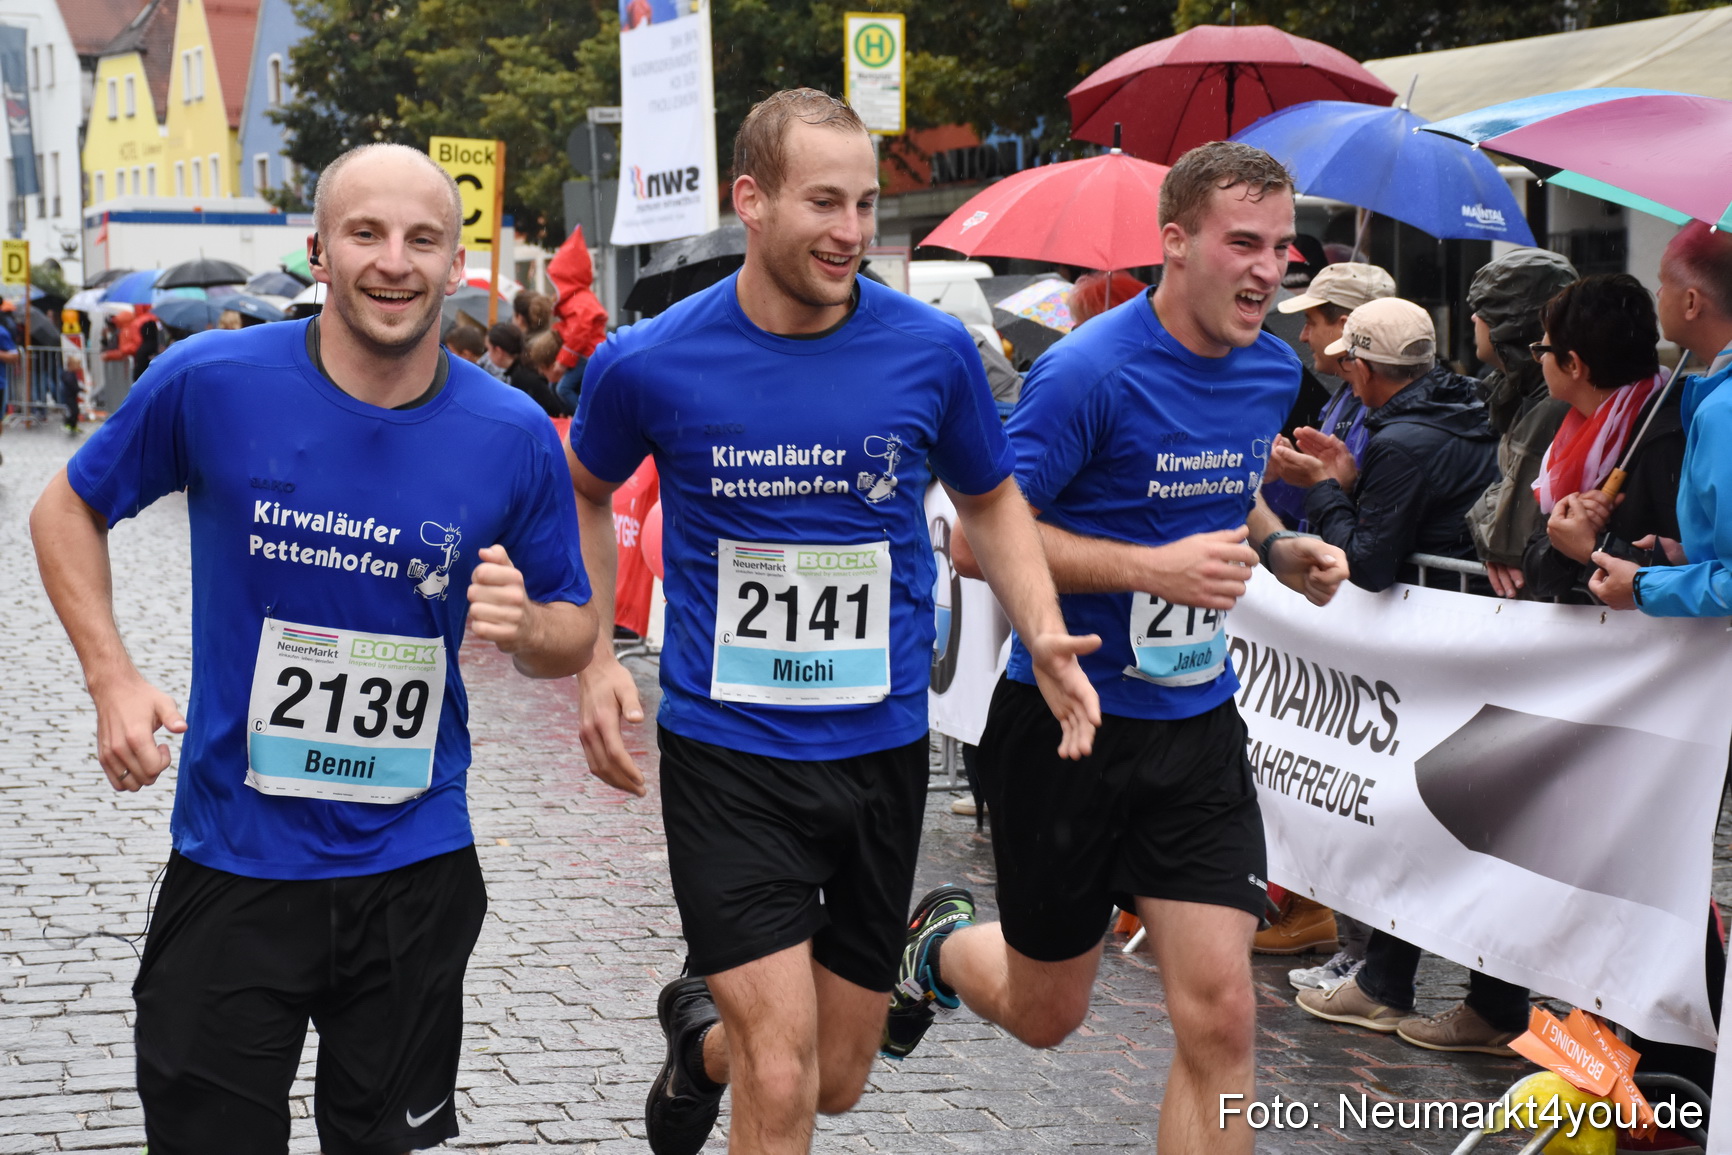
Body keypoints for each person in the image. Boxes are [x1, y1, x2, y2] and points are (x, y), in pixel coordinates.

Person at [28, 142, 598, 1155]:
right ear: (319, 254)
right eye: (365, 233)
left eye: (423, 239)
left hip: (414, 869)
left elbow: (571, 631)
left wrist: (530, 629)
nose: (394, 261)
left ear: (457, 263)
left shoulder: (512, 432)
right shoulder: (209, 382)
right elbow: (66, 510)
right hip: (235, 860)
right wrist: (110, 676)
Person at [565, 89, 1100, 1155]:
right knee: (783, 1067)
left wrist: (1037, 627)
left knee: (837, 1078)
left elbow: (992, 498)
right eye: (824, 203)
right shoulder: (651, 359)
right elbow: (582, 487)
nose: (852, 233)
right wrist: (588, 655)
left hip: (879, 750)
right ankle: (735, 1046)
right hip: (728, 754)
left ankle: (696, 1042)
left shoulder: (931, 351)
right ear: (750, 200)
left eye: (864, 205)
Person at [889, 141, 1350, 1155]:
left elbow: (1228, 492)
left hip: (1193, 730)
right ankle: (936, 945)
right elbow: (976, 540)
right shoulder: (1084, 373)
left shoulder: (1271, 367)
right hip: (1067, 727)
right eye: (1244, 243)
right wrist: (1151, 571)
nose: (1270, 270)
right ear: (1174, 244)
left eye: (1283, 248)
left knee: (1224, 1015)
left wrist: (1279, 546)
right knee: (1049, 1011)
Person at [1273, 297, 1499, 593]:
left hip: (1439, 617)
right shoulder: (1472, 399)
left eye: (1346, 361)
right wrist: (1349, 486)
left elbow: (1366, 567)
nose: (1345, 373)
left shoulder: (1400, 444)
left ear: (1363, 368)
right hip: (1469, 607)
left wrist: (1323, 486)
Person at [1520, 274, 1675, 601]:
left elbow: (1673, 577)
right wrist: (1563, 541)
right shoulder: (1576, 430)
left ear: (1573, 364)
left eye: (1542, 349)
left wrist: (1595, 547)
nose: (1540, 359)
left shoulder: (1667, 437)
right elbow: (1539, 579)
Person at [1461, 249, 1580, 598]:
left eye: (1483, 308)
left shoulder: (1553, 405)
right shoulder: (1525, 389)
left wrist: (1492, 517)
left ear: (1509, 323)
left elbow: (1507, 533)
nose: (1472, 319)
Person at [487, 320, 562, 416]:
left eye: (489, 349)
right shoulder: (524, 366)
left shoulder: (522, 378)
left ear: (498, 351)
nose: (488, 355)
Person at [58, 351, 83, 434]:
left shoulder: (71, 374)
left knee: (75, 411)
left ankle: (73, 425)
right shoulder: (69, 375)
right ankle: (68, 423)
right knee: (74, 411)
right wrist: (80, 389)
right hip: (69, 396)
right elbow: (73, 386)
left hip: (71, 396)